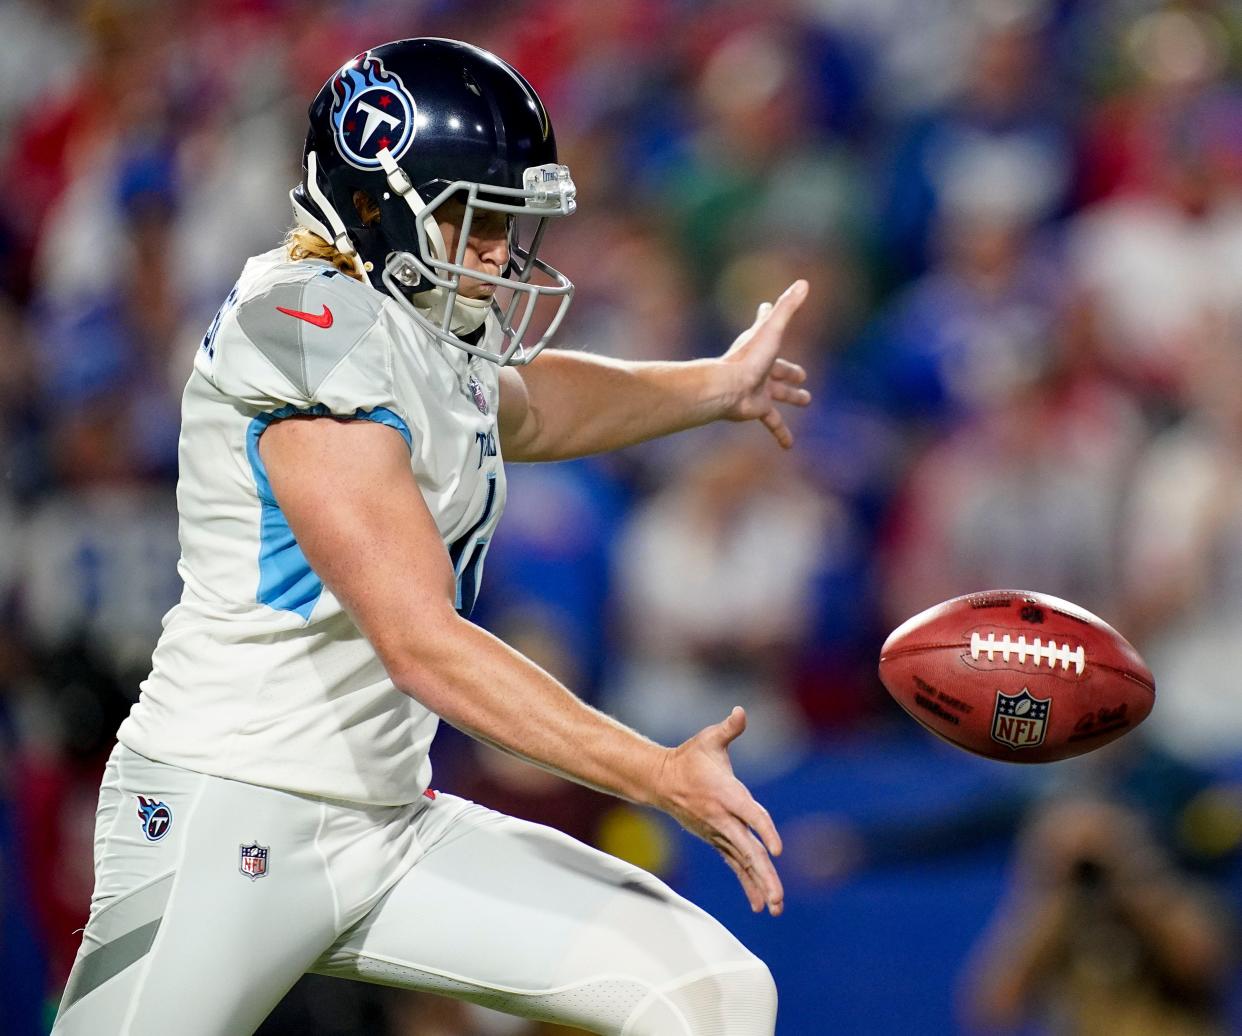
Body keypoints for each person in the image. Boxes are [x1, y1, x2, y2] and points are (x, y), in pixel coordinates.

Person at [50, 37, 811, 1036]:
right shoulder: (306, 327)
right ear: (378, 196)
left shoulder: (408, 318)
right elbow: (421, 642)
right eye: (477, 215)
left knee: (710, 993)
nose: (501, 248)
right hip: (227, 815)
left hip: (388, 818)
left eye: (509, 220)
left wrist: (712, 385)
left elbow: (528, 407)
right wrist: (655, 772)